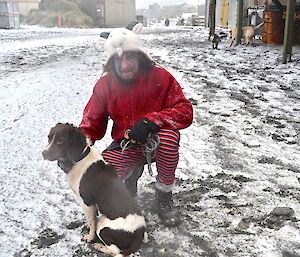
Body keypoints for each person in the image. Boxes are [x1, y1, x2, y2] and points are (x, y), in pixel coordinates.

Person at [79, 28, 193, 227]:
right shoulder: (105, 84)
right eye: (118, 60)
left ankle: (164, 197)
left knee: (167, 139)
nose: (124, 66)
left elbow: (185, 111)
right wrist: (79, 145)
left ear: (140, 56)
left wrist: (152, 121)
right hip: (126, 144)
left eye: (130, 57)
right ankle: (129, 183)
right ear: (111, 62)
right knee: (102, 175)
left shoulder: (161, 77)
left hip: (157, 142)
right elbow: (91, 122)